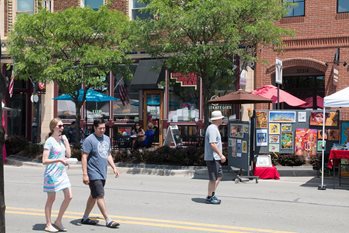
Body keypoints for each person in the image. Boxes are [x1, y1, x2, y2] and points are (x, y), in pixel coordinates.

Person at [81, 119, 120, 228]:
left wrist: (114, 167)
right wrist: (85, 174)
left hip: (103, 172)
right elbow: (84, 157)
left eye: (104, 128)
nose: (102, 130)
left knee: (94, 195)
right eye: (100, 128)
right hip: (93, 172)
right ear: (94, 128)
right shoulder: (89, 140)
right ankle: (108, 220)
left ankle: (85, 217)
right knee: (99, 195)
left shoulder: (107, 138)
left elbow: (108, 154)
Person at [42, 118, 72, 232]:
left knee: (69, 196)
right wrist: (59, 160)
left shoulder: (61, 140)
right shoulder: (49, 141)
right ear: (53, 127)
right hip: (52, 174)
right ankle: (48, 224)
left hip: (62, 173)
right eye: (60, 126)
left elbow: (68, 155)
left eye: (62, 126)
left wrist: (66, 142)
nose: (62, 128)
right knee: (51, 199)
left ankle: (58, 221)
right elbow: (44, 160)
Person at [204, 111, 226, 205]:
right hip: (213, 158)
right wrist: (221, 155)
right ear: (217, 119)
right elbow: (212, 144)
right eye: (221, 118)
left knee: (218, 176)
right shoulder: (212, 128)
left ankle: (211, 194)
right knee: (213, 178)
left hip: (214, 158)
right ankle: (210, 196)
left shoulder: (213, 128)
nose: (222, 119)